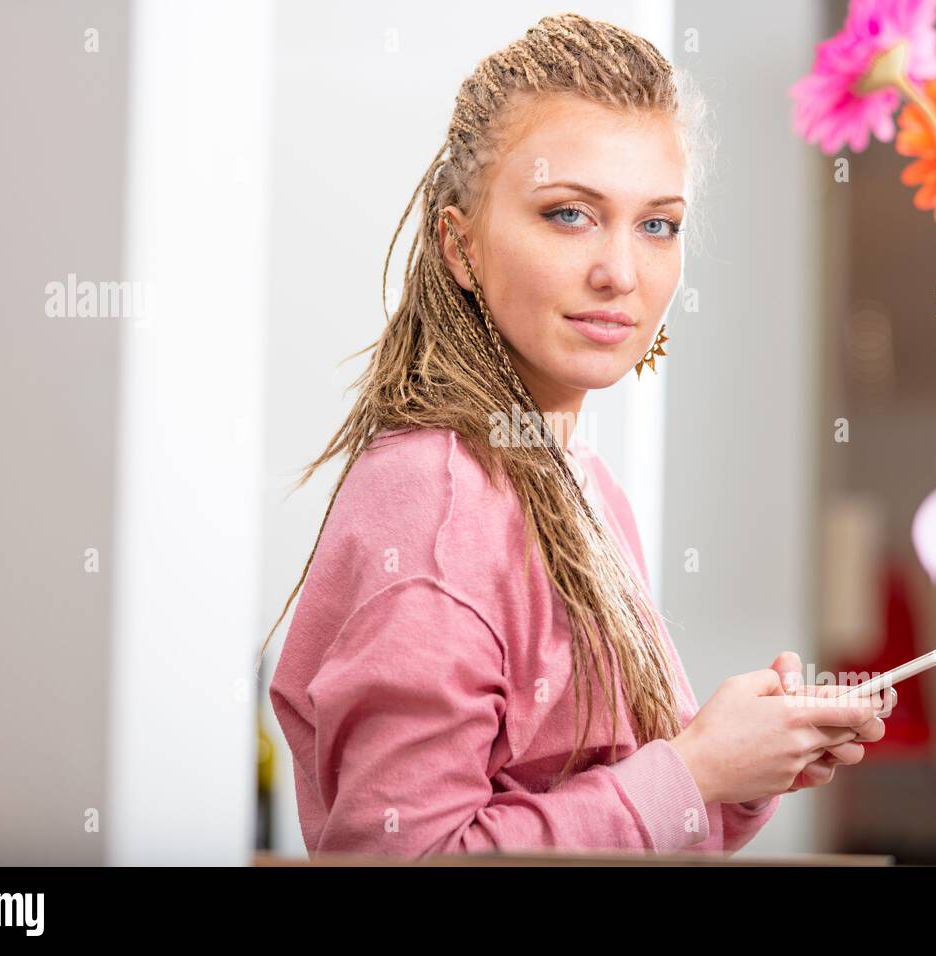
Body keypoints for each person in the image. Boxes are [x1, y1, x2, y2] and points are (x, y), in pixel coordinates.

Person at [264, 12, 893, 858]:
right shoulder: (432, 502)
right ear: (461, 245)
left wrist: (745, 765)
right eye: (569, 215)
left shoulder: (584, 485)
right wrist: (696, 769)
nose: (620, 271)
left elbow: (620, 807)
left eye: (657, 224)